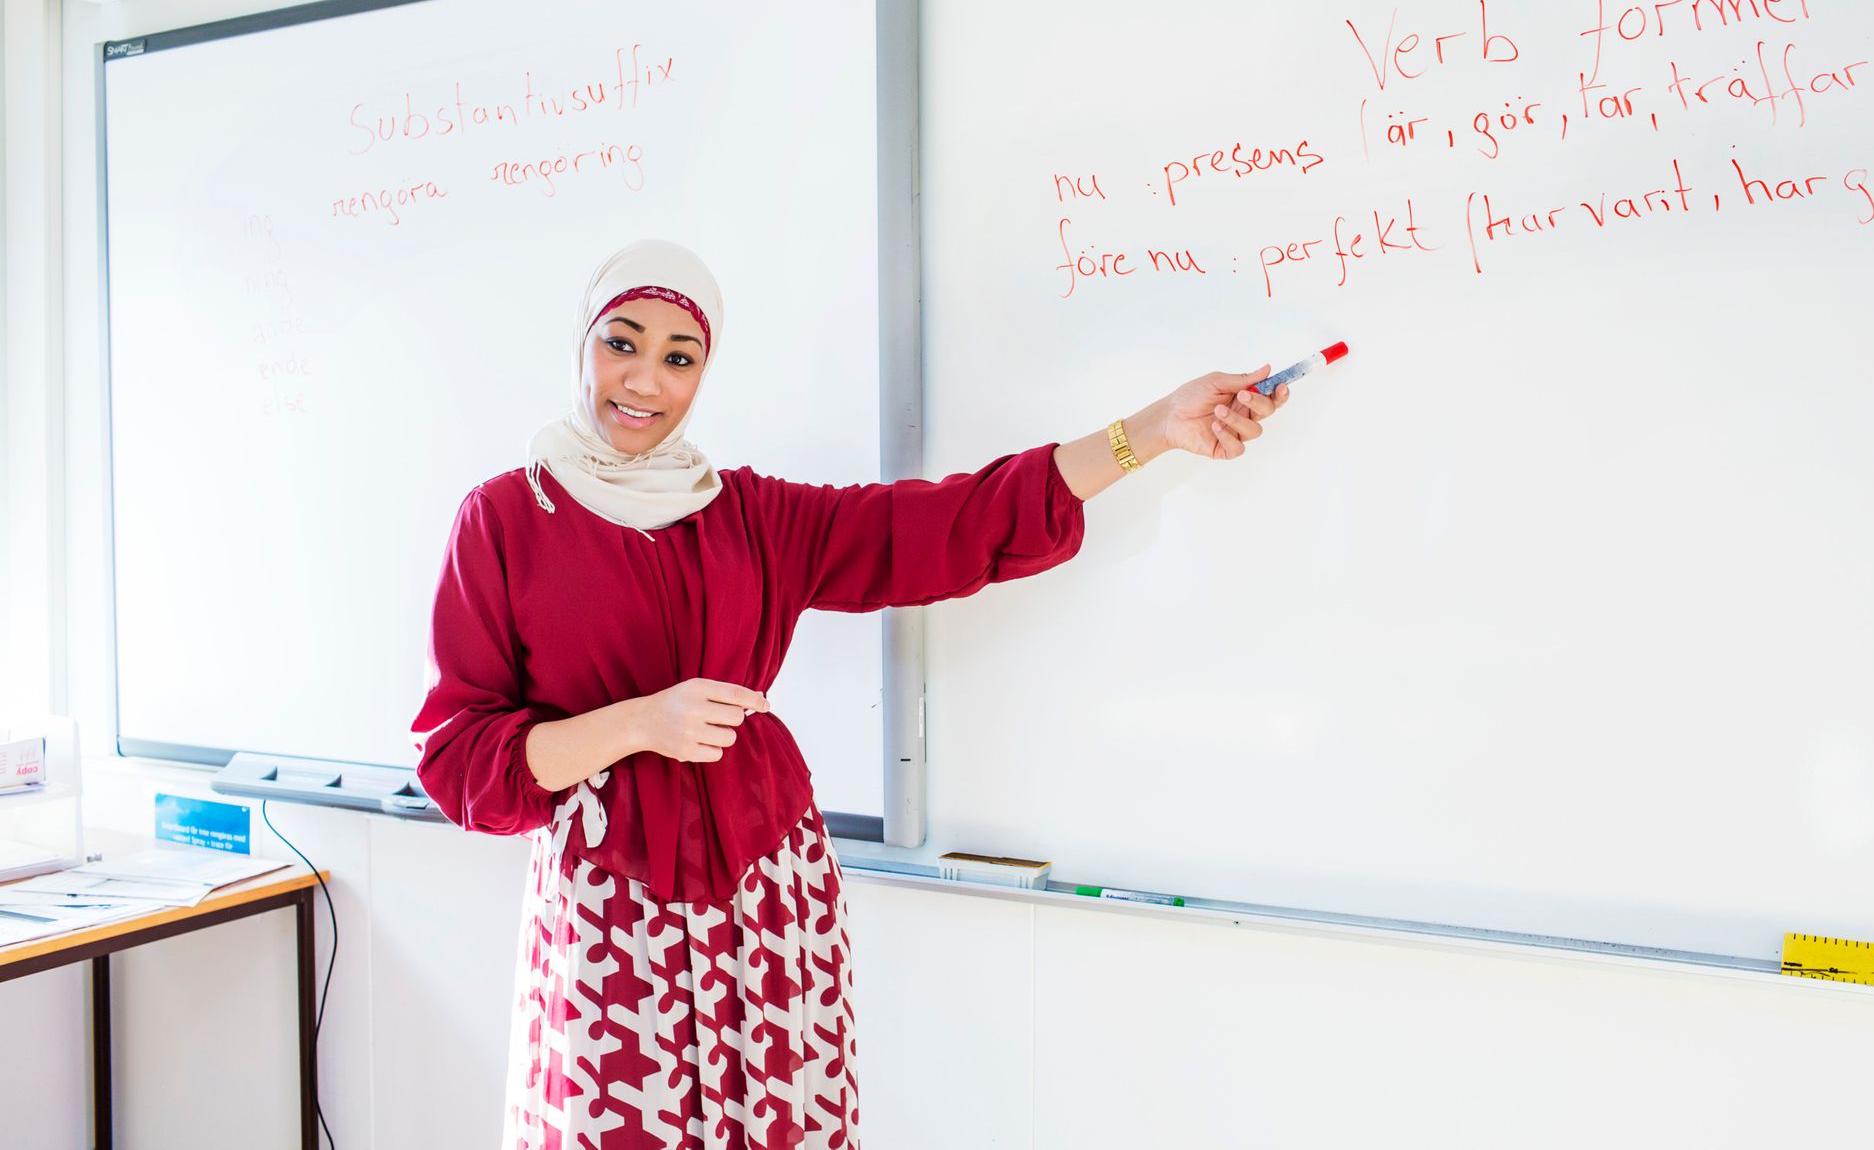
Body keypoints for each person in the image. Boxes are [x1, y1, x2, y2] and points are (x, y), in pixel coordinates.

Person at [411, 239, 1286, 1150]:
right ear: (582, 345)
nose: (644, 380)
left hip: (768, 889)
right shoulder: (508, 517)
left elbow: (957, 520)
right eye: (621, 343)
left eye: (680, 358)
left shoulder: (752, 516)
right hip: (612, 901)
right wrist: (641, 722)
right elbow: (458, 757)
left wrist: (1153, 429)